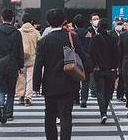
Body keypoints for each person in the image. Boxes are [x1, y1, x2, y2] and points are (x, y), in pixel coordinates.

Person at [33, 8, 90, 140]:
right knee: (66, 115)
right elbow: (84, 57)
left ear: (48, 22)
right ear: (64, 21)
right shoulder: (71, 37)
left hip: (50, 83)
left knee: (50, 115)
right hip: (70, 82)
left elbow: (38, 65)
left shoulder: (43, 41)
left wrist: (36, 86)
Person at [0, 8, 24, 123]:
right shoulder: (17, 32)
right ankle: (9, 113)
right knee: (11, 90)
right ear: (12, 18)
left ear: (2, 18)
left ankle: (1, 105)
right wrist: (21, 65)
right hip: (12, 64)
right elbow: (20, 50)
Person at [90, 17, 119, 123]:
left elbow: (91, 54)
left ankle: (103, 113)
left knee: (99, 92)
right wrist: (114, 67)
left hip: (98, 69)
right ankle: (105, 111)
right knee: (107, 92)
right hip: (110, 70)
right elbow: (117, 55)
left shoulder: (95, 38)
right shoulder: (113, 39)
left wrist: (95, 65)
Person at [16, 13, 40, 107]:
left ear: (22, 21)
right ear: (31, 22)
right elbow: (39, 46)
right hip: (32, 59)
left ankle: (21, 96)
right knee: (30, 79)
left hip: (21, 59)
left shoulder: (19, 32)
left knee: (21, 77)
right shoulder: (36, 32)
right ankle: (28, 98)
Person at [73, 14, 92, 108]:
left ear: (75, 24)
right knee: (86, 80)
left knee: (75, 79)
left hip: (75, 60)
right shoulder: (88, 33)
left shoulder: (71, 33)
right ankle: (84, 98)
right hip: (86, 59)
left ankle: (76, 98)